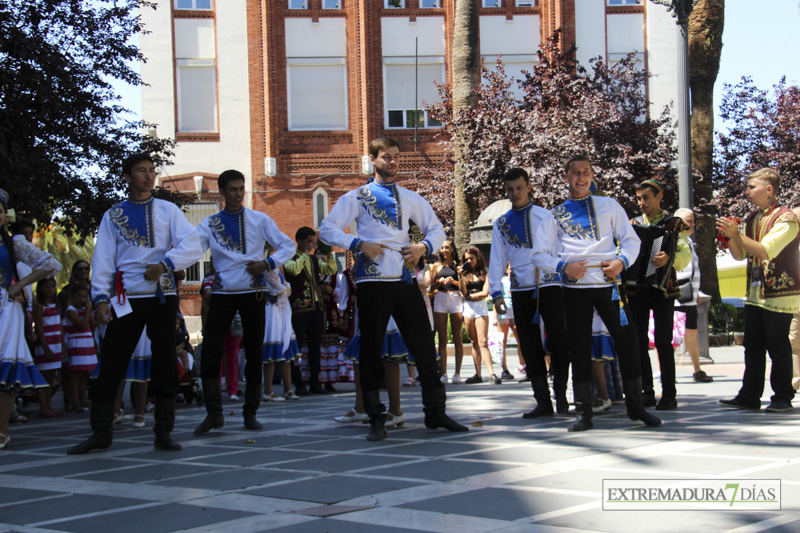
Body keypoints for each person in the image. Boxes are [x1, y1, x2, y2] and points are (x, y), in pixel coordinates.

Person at [320, 136, 467, 441]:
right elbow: (328, 229)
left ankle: (435, 412)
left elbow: (436, 229)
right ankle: (375, 416)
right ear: (372, 160)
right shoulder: (357, 197)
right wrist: (358, 243)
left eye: (396, 156)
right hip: (371, 281)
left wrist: (422, 247)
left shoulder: (410, 197)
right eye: (386, 157)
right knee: (372, 349)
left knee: (425, 346)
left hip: (402, 279)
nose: (393, 162)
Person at [68, 153, 203, 455]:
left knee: (165, 359)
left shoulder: (167, 210)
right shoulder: (113, 215)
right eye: (141, 171)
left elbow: (192, 244)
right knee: (114, 360)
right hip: (125, 297)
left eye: (152, 171)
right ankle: (101, 432)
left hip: (161, 294)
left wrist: (165, 264)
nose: (149, 176)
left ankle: (163, 432)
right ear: (127, 177)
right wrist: (100, 298)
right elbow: (103, 259)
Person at [533, 154, 661, 431]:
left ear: (592, 175)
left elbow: (630, 240)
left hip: (608, 285)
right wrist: (562, 267)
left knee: (628, 342)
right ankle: (584, 412)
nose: (580, 177)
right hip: (575, 287)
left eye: (585, 172)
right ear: (566, 177)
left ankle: (636, 406)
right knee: (579, 347)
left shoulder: (609, 205)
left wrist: (621, 262)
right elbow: (538, 254)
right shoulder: (555, 214)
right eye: (575, 172)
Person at [193, 169, 295, 435]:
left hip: (253, 292)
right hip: (222, 292)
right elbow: (190, 249)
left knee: (254, 352)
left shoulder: (259, 219)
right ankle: (214, 413)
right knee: (211, 351)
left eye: (241, 188)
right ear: (222, 192)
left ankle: (250, 412)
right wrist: (167, 263)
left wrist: (267, 263)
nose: (238, 194)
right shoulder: (210, 223)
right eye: (232, 189)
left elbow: (288, 246)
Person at [489, 168, 570, 417]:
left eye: (519, 188)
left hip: (551, 284)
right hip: (521, 289)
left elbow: (564, 248)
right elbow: (497, 259)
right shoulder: (501, 224)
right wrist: (496, 293)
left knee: (559, 341)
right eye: (510, 189)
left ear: (529, 187)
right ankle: (543, 401)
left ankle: (562, 396)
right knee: (530, 346)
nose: (515, 193)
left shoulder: (547, 217)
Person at [717, 168, 799, 412]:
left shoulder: (787, 219)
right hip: (755, 294)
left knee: (778, 346)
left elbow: (765, 251)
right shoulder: (753, 218)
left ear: (769, 189)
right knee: (752, 345)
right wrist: (730, 237)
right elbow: (741, 254)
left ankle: (783, 397)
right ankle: (749, 395)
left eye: (752, 187)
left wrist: (736, 235)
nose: (747, 191)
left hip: (780, 293)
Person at [0, 189, 61, 450]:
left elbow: (50, 264)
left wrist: (19, 286)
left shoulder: (13, 243)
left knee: (2, 371)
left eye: (0, 210)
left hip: (4, 309)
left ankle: (3, 429)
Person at [627, 179, 690, 410]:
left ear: (659, 196)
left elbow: (684, 252)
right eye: (639, 198)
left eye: (646, 197)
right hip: (637, 289)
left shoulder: (673, 224)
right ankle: (647, 392)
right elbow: (624, 248)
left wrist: (668, 259)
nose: (642, 203)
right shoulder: (633, 224)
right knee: (639, 341)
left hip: (664, 288)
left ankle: (669, 394)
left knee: (663, 342)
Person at [284, 227, 338, 395]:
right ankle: (299, 384)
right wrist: (305, 255)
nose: (312, 244)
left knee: (315, 347)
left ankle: (315, 383)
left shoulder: (314, 260)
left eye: (312, 241)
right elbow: (292, 270)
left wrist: (329, 253)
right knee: (297, 347)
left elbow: (330, 270)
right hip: (299, 309)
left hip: (316, 308)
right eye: (309, 241)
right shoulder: (289, 256)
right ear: (299, 242)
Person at [673, 207, 713, 383]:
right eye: (688, 220)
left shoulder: (687, 241)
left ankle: (697, 370)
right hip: (677, 296)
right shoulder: (673, 239)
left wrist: (695, 293)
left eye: (692, 220)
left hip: (689, 297)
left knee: (691, 333)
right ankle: (665, 372)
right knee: (671, 337)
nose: (692, 224)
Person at [459, 246, 500, 385]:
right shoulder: (464, 275)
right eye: (466, 259)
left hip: (480, 307)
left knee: (483, 341)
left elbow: (485, 293)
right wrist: (459, 277)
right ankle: (478, 374)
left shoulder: (484, 273)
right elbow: (462, 292)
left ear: (477, 258)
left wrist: (470, 296)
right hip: (468, 309)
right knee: (473, 341)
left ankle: (491, 374)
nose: (469, 261)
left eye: (471, 258)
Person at [429, 238, 464, 384]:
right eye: (442, 248)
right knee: (442, 339)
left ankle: (457, 373)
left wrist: (454, 281)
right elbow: (430, 287)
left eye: (447, 248)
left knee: (457, 338)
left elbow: (463, 286)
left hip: (455, 298)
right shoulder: (436, 266)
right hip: (441, 298)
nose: (444, 250)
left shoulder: (458, 265)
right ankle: (443, 373)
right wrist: (439, 282)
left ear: (452, 249)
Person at [62, 283, 97, 411]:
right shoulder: (71, 310)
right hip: (76, 343)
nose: (82, 300)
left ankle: (83, 401)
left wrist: (89, 310)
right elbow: (82, 325)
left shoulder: (84, 309)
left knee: (84, 375)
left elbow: (92, 325)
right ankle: (75, 402)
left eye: (84, 297)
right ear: (72, 297)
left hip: (86, 343)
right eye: (79, 297)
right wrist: (88, 311)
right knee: (76, 375)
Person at [33, 277, 63, 418]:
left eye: (52, 286)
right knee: (44, 376)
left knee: (51, 376)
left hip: (56, 343)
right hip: (46, 344)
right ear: (40, 289)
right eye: (47, 286)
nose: (50, 289)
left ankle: (48, 405)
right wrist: (46, 348)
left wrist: (62, 344)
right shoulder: (39, 306)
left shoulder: (56, 305)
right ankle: (43, 406)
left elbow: (60, 325)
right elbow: (39, 328)